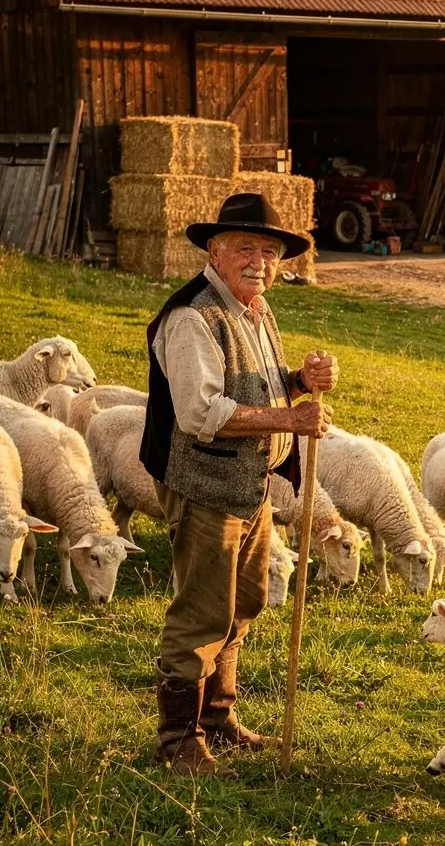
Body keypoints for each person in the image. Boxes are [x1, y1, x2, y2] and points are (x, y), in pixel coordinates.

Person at [140, 192, 338, 775]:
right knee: (202, 613)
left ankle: (217, 718)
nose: (260, 261)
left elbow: (260, 382)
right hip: (205, 484)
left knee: (244, 601)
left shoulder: (255, 310)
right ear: (214, 250)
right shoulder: (191, 318)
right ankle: (177, 743)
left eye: (270, 251)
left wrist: (299, 381)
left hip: (250, 485)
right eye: (246, 247)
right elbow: (201, 413)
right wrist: (288, 419)